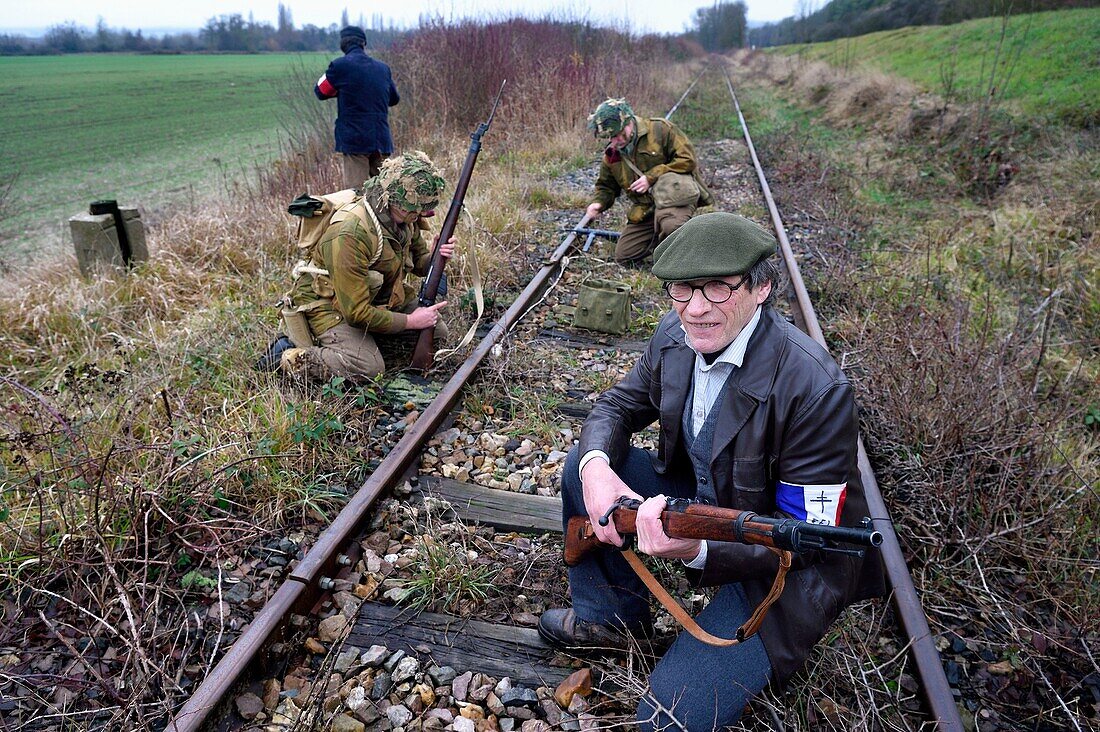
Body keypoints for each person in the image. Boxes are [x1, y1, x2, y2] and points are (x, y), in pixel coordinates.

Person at [538, 213, 885, 730]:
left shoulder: (816, 389)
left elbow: (805, 540)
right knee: (583, 465)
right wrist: (593, 469)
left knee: (669, 718)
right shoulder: (673, 335)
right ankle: (608, 618)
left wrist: (697, 549)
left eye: (718, 289)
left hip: (782, 566)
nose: (696, 309)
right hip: (705, 497)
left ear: (761, 287)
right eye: (683, 289)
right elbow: (616, 406)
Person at [257, 151, 453, 382]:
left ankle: (366, 341)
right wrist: (410, 321)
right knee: (368, 368)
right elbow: (356, 313)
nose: (422, 214)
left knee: (438, 333)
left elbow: (420, 265)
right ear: (395, 200)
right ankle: (287, 355)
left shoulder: (405, 217)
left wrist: (437, 256)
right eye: (417, 209)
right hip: (330, 306)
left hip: (375, 298)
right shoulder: (351, 233)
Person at [584, 97, 712, 266]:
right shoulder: (612, 155)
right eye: (610, 138)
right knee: (624, 256)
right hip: (646, 208)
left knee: (671, 227)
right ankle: (663, 242)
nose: (616, 141)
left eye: (618, 135)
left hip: (672, 198)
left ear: (629, 123)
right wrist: (598, 203)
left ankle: (684, 260)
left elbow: (687, 160)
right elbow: (606, 187)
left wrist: (651, 177)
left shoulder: (660, 130)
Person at [316, 25, 400, 190]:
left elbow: (320, 90)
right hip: (381, 139)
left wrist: (342, 91)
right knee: (387, 193)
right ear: (363, 44)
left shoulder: (339, 66)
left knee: (356, 196)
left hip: (355, 140)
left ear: (343, 45)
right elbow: (394, 99)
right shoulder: (383, 68)